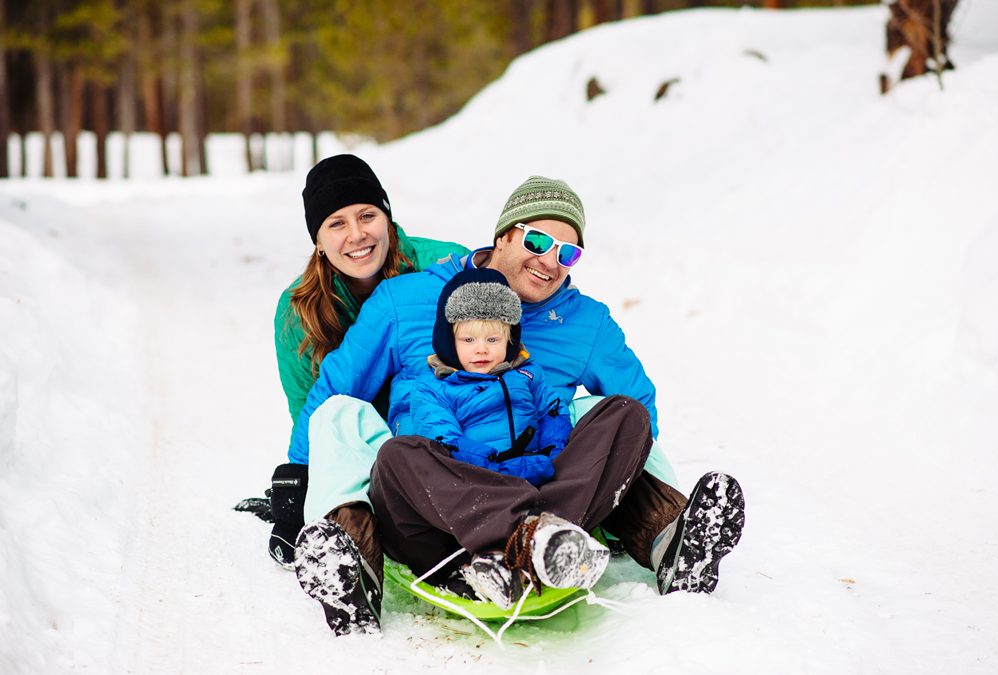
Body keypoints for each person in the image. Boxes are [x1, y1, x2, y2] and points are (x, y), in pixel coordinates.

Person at [287, 176, 746, 636]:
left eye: (568, 253)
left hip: (540, 481)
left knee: (619, 412)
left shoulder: (585, 323)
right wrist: (296, 480)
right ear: (504, 235)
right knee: (356, 424)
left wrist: (599, 478)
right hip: (439, 495)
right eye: (538, 241)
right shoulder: (404, 299)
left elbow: (638, 414)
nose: (550, 261)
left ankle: (668, 537)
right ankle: (353, 564)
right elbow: (335, 389)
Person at [263, 154, 469, 569]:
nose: (357, 235)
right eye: (336, 224)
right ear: (318, 241)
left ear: (387, 218)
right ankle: (350, 543)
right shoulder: (297, 312)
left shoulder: (444, 267)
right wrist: (299, 480)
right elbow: (313, 412)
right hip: (367, 448)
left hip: (447, 429)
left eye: (367, 216)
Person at [407, 268, 607, 609]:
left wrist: (554, 452)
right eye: (468, 340)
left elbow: (552, 413)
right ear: (449, 340)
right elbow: (445, 439)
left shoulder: (528, 374)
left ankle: (553, 538)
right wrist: (500, 467)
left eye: (493, 340)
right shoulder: (433, 388)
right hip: (479, 485)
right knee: (404, 452)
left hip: (539, 475)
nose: (481, 350)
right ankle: (502, 555)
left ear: (509, 339)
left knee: (619, 411)